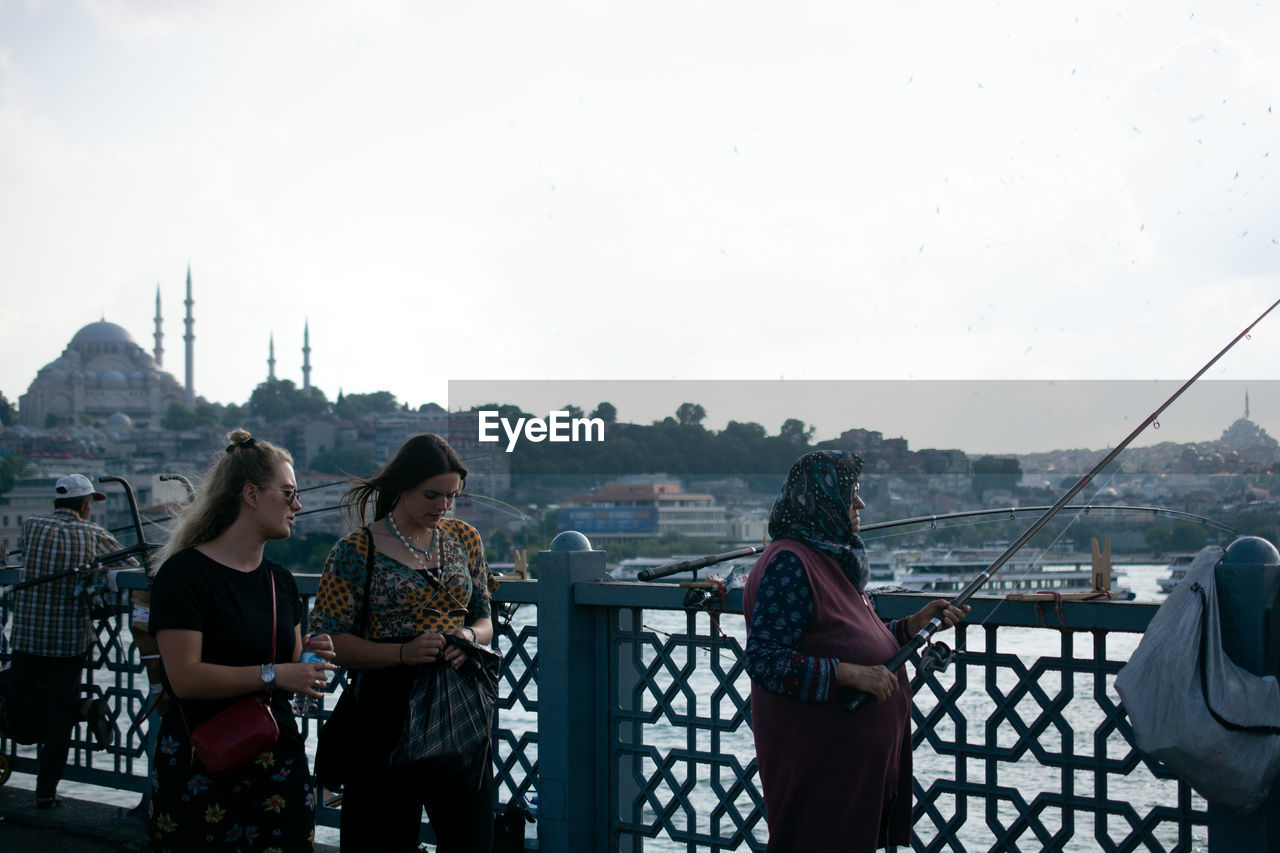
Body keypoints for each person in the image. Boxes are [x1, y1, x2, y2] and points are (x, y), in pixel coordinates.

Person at [743, 450, 968, 852]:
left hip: (852, 769)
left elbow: (845, 636)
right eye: (851, 495)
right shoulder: (790, 563)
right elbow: (765, 661)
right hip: (821, 768)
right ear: (821, 499)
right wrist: (850, 675)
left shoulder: (830, 558)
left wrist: (910, 626)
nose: (860, 504)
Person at [147, 429, 335, 852]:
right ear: (250, 494)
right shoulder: (185, 574)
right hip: (203, 760)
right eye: (288, 494)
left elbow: (287, 666)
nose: (298, 506)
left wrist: (308, 658)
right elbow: (185, 680)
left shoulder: (280, 581)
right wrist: (276, 674)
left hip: (276, 760)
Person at [309, 433, 499, 852]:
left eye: (452, 496)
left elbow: (485, 619)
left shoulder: (465, 539)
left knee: (471, 835)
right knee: (381, 836)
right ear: (402, 486)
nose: (443, 506)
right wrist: (402, 652)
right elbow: (328, 640)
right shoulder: (357, 550)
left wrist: (467, 636)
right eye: (433, 495)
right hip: (385, 708)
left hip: (458, 702)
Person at [10, 473, 137, 809]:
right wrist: (97, 570)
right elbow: (131, 566)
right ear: (85, 504)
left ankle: (79, 710)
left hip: (26, 634)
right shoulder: (95, 533)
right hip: (69, 641)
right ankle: (47, 792)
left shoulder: (31, 525)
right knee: (59, 719)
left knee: (15, 695)